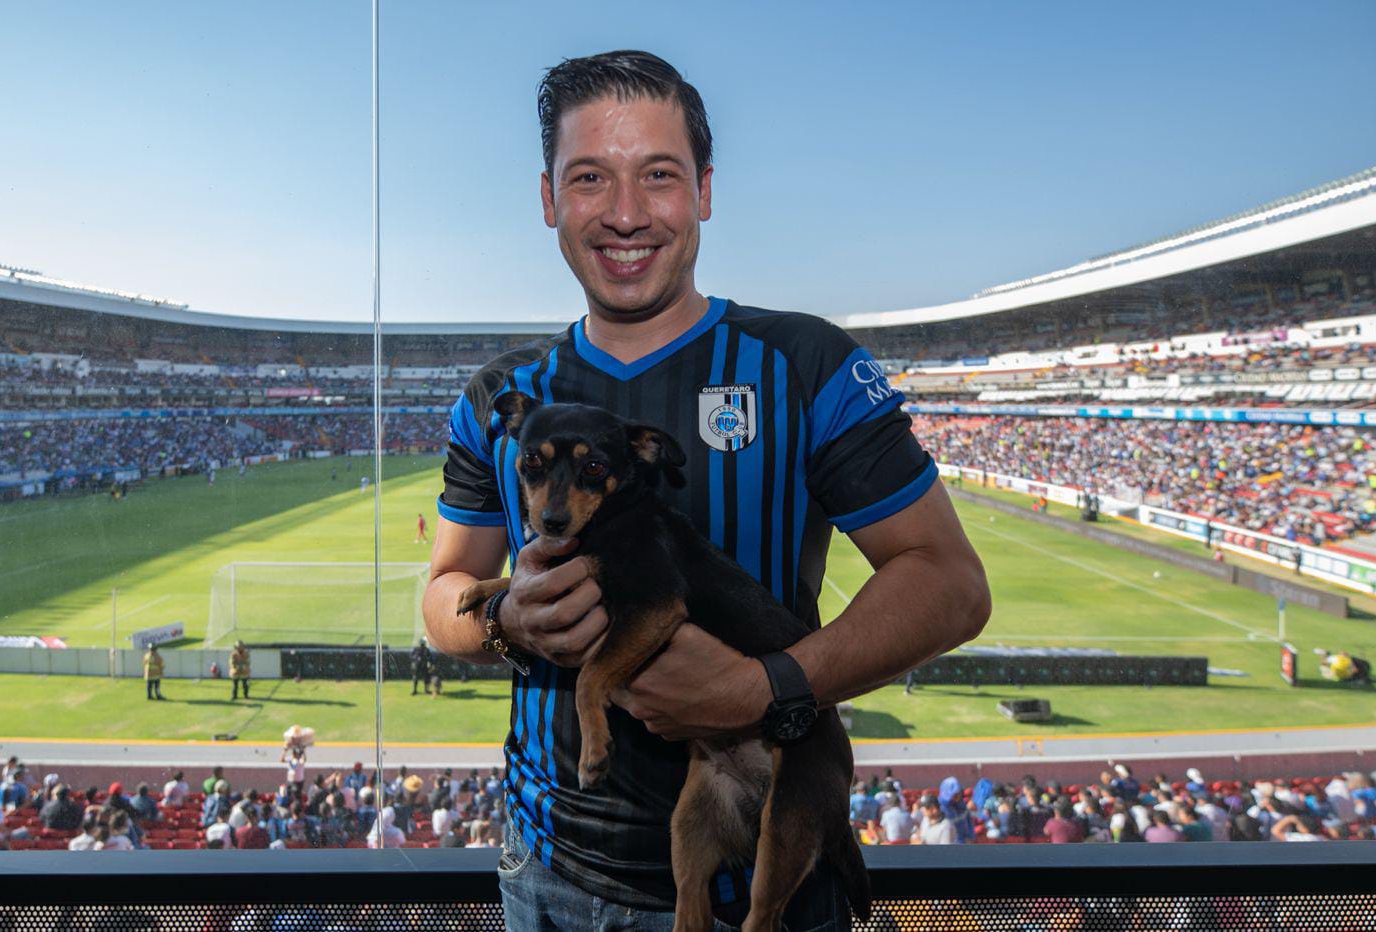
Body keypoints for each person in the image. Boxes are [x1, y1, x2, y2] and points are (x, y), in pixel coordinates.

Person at [421, 50, 989, 928]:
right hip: (549, 877)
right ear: (548, 201)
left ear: (705, 190)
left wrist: (767, 688)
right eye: (588, 179)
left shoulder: (805, 364)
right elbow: (443, 596)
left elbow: (950, 584)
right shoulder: (500, 398)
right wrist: (504, 619)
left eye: (658, 175)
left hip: (768, 880)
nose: (624, 212)